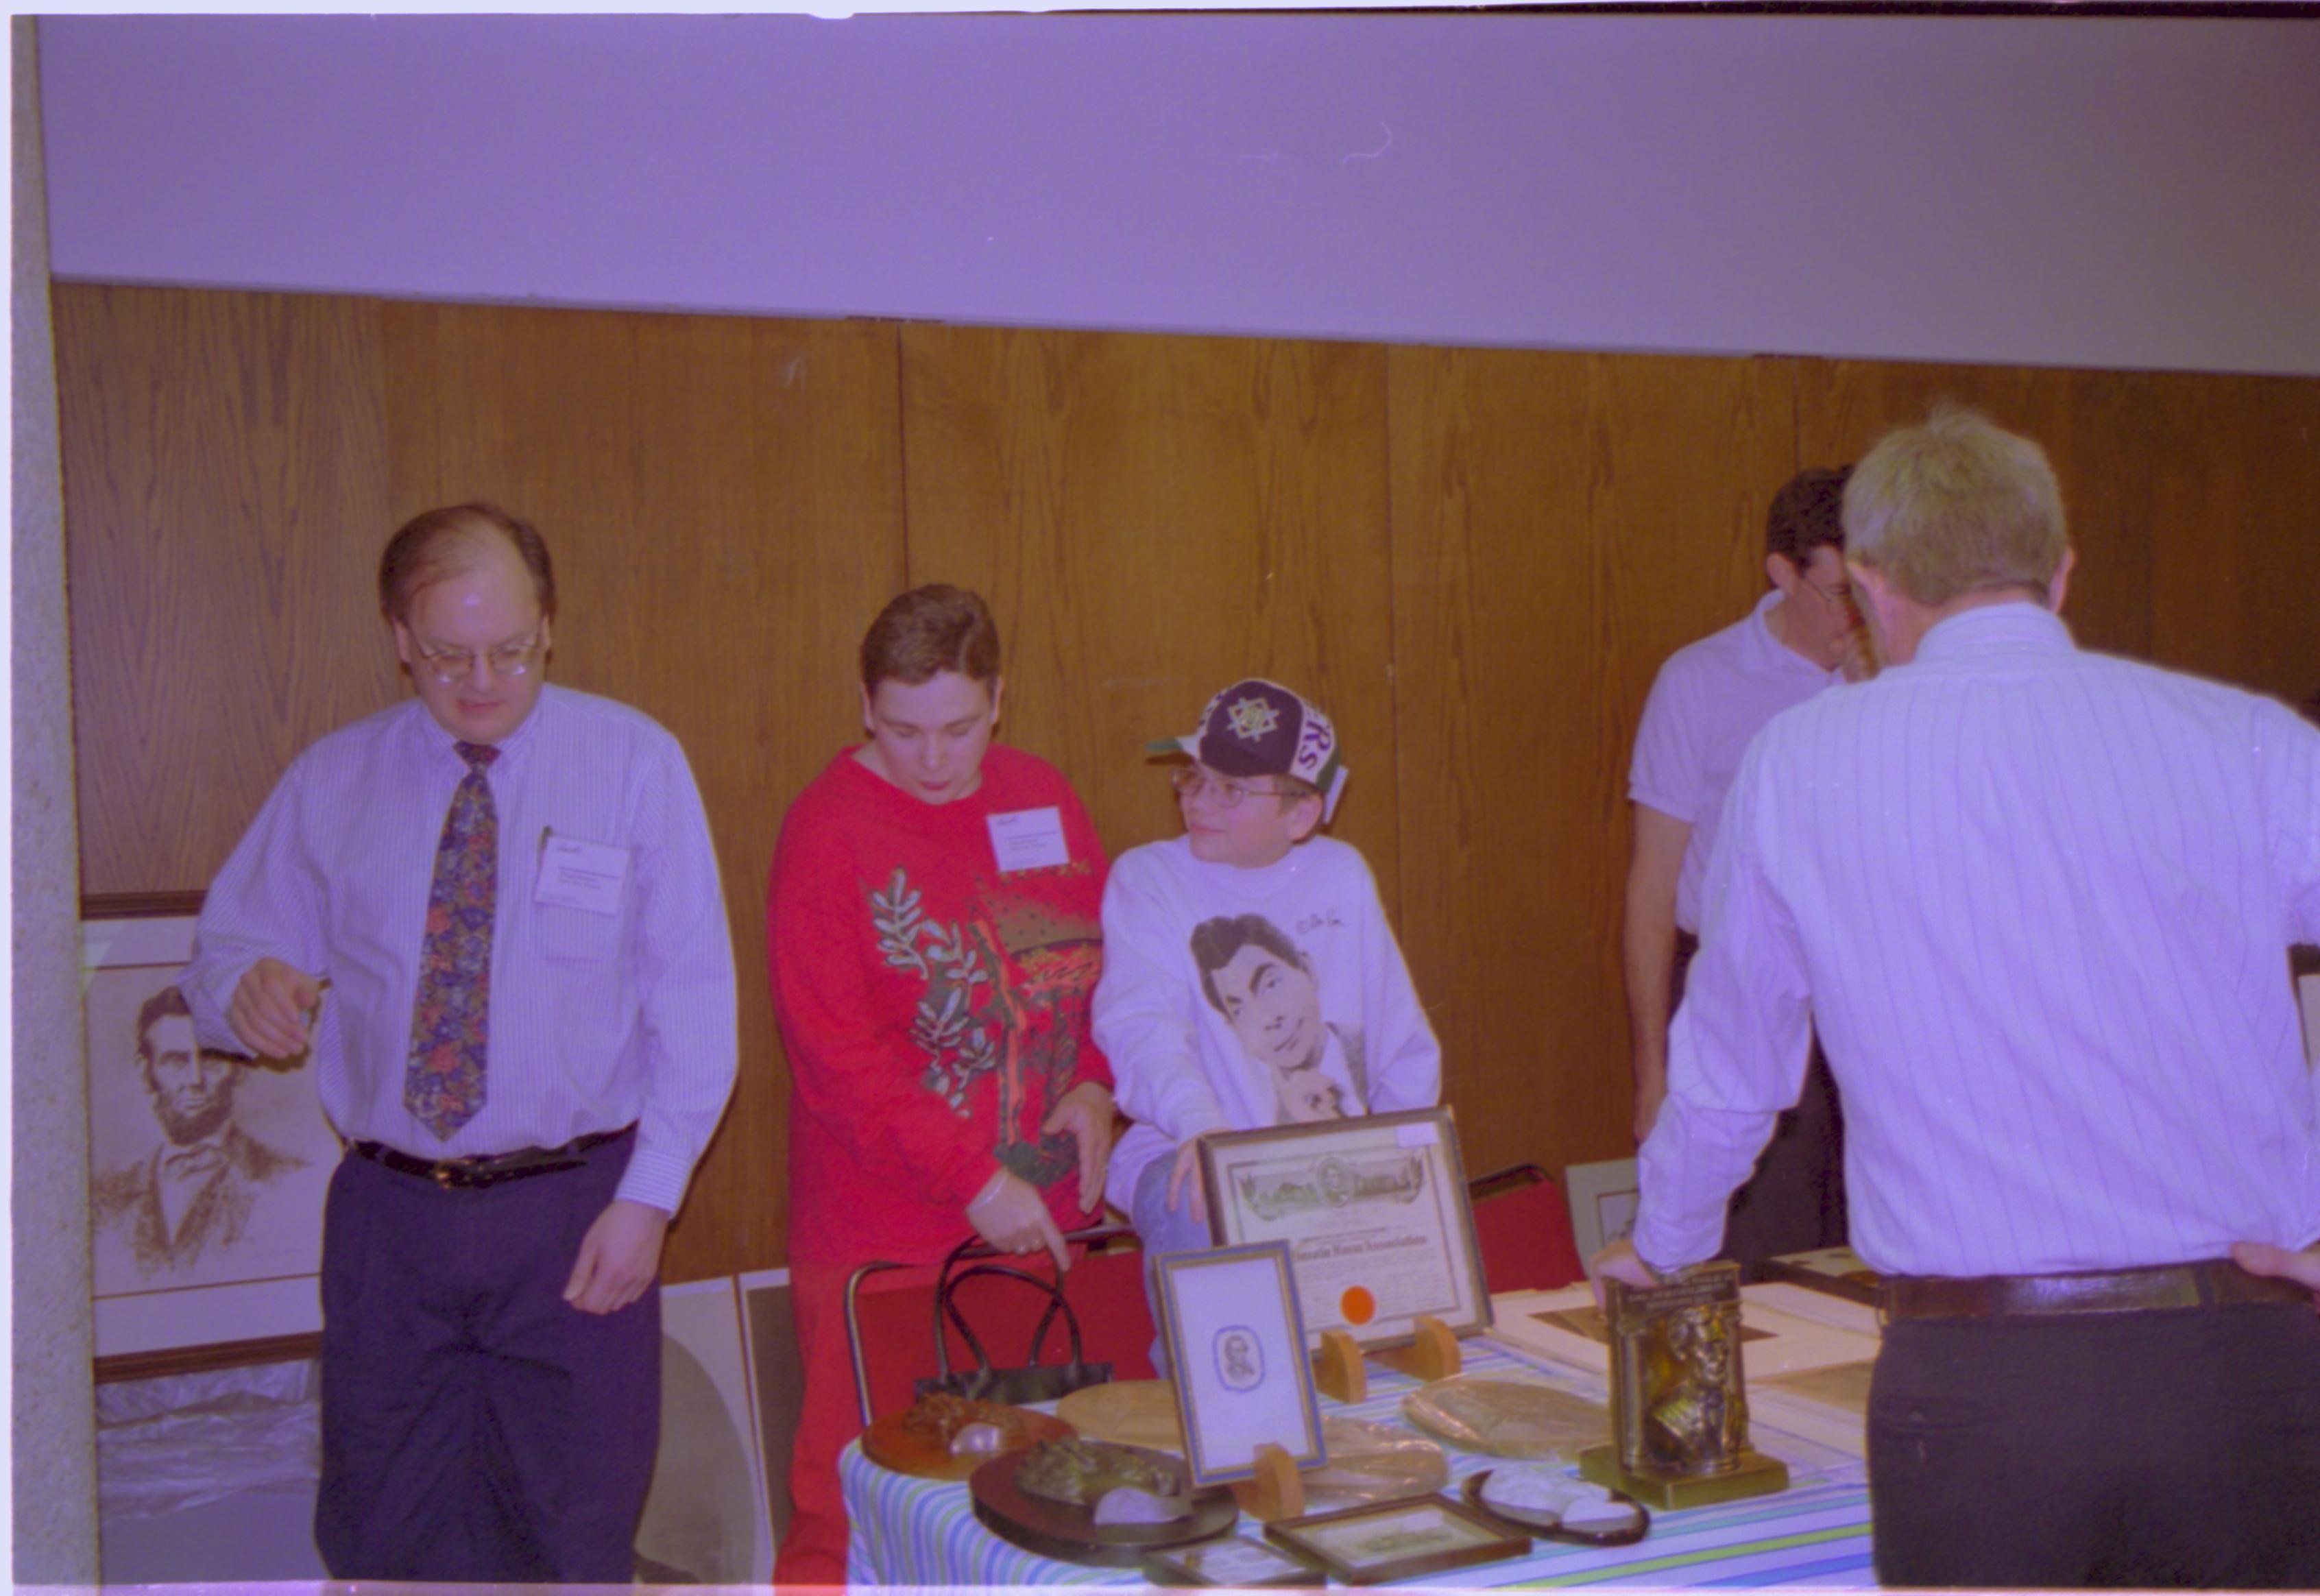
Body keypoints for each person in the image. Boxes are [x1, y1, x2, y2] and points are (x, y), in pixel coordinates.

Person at [1594, 407, 2320, 1588]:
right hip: (2237, 1356)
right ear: (2059, 570)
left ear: (1867, 589)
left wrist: (1664, 1240)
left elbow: (1730, 1071)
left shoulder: (1800, 762)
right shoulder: (2240, 740)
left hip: (1976, 1380)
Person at [180, 503, 738, 1582]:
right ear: (397, 636)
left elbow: (696, 1007)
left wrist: (651, 1198)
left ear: (550, 628)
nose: (483, 682)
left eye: (511, 652)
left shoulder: (634, 763)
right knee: (389, 1534)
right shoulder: (333, 781)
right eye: (447, 656)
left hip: (577, 1213)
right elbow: (222, 952)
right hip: (392, 1223)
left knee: (574, 1538)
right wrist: (240, 988)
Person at [769, 584, 1114, 1585]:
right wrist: (973, 1179)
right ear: (866, 706)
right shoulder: (826, 831)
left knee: (1039, 1490)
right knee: (856, 1502)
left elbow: (1097, 978)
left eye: (958, 729)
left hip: (1044, 1224)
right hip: (887, 1236)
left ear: (998, 700)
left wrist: (1094, 1087)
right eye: (904, 729)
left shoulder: (1042, 796)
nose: (932, 760)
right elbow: (837, 1061)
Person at [1094, 679, 1440, 1349]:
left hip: (1323, 1154)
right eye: (1195, 778)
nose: (1199, 801)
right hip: (1186, 1142)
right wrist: (1203, 1127)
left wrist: (1407, 1158)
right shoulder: (1148, 878)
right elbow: (1142, 1029)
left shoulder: (1342, 875)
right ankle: (1219, 1414)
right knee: (1198, 1200)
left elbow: (1399, 1039)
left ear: (1302, 813)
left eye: (1232, 789)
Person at [1624, 466, 1862, 1268]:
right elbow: (1653, 886)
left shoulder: (1904, 681)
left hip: (1867, 988)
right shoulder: (1701, 680)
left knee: (1875, 1249)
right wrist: (1654, 1071)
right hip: (1738, 982)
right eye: (1837, 594)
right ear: (1783, 574)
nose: (1856, 617)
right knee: (1761, 1257)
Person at [93, 987, 307, 1275]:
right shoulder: (107, 1194)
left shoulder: (289, 1179)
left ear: (240, 1067)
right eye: (176, 1061)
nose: (195, 1079)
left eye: (211, 1059)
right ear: (146, 1073)